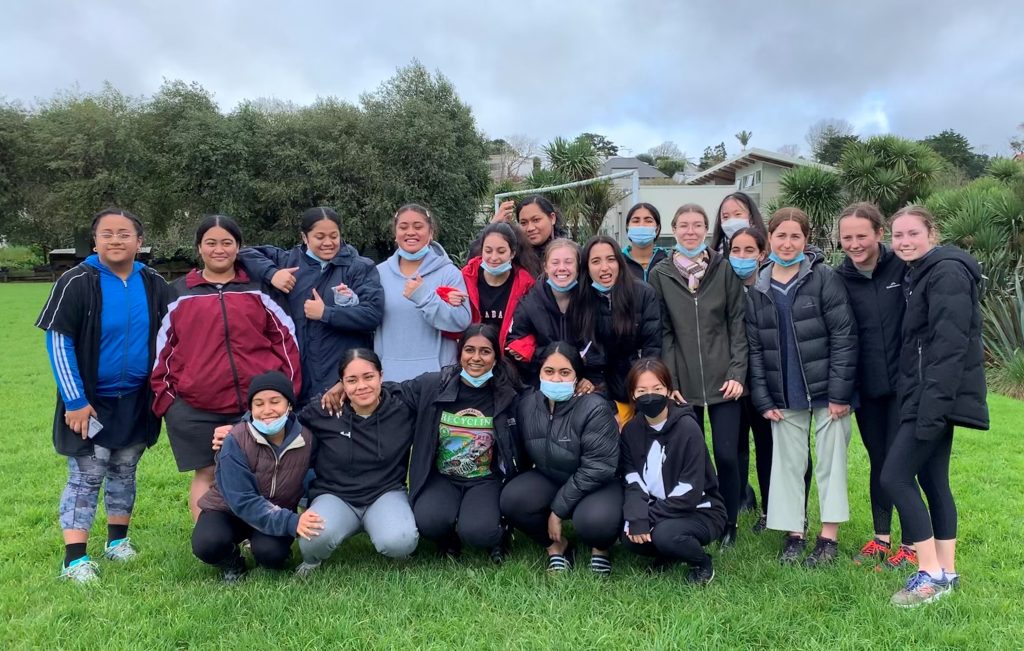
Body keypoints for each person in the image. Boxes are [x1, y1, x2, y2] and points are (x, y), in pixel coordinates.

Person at [37, 208, 172, 582]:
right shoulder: (76, 281)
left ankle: (117, 542)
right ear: (95, 242)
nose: (116, 240)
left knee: (125, 470)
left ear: (139, 242)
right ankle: (74, 560)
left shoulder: (154, 283)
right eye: (107, 234)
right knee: (87, 474)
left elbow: (172, 337)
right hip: (89, 402)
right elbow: (58, 342)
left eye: (124, 234)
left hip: (137, 400)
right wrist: (75, 400)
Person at [151, 214, 301, 521]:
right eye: (211, 243)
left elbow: (286, 342)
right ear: (199, 248)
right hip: (195, 407)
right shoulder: (177, 292)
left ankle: (254, 534)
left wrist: (287, 393)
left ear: (238, 247)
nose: (219, 250)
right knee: (207, 471)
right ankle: (208, 538)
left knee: (256, 470)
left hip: (256, 405)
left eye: (227, 243)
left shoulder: (259, 290)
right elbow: (161, 351)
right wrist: (168, 402)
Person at [881, 206, 988, 607]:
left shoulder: (946, 273)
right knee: (933, 480)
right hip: (925, 395)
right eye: (898, 235)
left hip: (933, 398)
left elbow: (949, 348)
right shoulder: (922, 272)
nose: (904, 241)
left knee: (895, 476)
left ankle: (930, 575)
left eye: (913, 233)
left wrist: (932, 408)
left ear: (932, 233)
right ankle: (948, 571)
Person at [745, 207, 857, 566]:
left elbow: (843, 336)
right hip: (784, 392)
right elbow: (755, 348)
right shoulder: (759, 286)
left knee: (830, 464)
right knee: (788, 465)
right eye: (781, 235)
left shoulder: (823, 278)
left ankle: (828, 537)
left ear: (806, 240)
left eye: (795, 236)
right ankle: (794, 533)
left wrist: (840, 393)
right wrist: (763, 398)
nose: (788, 243)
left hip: (827, 392)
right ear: (770, 239)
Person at [649, 204, 748, 547]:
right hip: (683, 385)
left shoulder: (724, 269)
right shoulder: (661, 274)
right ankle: (696, 513)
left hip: (725, 382)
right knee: (691, 457)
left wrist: (737, 372)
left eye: (697, 225)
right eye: (684, 226)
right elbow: (664, 331)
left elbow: (737, 324)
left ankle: (730, 521)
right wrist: (671, 381)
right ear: (674, 229)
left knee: (726, 455)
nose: (690, 232)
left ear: (706, 229)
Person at [835, 202, 915, 570]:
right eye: (847, 237)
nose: (854, 244)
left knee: (902, 464)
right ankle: (881, 539)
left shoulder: (903, 265)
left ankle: (912, 544)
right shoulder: (839, 278)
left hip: (904, 386)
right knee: (879, 461)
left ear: (879, 234)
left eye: (861, 236)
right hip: (867, 389)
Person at [237, 207, 384, 403]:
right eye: (319, 237)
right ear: (304, 237)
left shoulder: (359, 267)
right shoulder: (288, 261)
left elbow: (372, 314)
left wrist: (326, 313)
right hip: (301, 380)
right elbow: (244, 254)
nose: (328, 243)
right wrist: (272, 274)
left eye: (334, 236)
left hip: (343, 382)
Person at [292, 349, 419, 575]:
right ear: (341, 383)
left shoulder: (402, 408)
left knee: (401, 540)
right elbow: (282, 422)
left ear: (381, 376)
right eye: (351, 380)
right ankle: (312, 563)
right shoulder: (326, 409)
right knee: (313, 541)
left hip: (385, 493)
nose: (361, 386)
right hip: (335, 495)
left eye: (368, 377)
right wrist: (237, 428)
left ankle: (393, 541)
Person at [500, 342, 622, 575]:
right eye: (549, 371)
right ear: (539, 372)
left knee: (596, 522)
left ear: (577, 376)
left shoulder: (595, 408)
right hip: (552, 475)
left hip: (597, 483)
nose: (556, 379)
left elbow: (598, 468)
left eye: (565, 372)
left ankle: (601, 548)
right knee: (513, 499)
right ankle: (556, 546)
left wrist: (556, 512)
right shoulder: (527, 406)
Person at [405, 325, 521, 562]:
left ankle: (500, 535)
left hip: (485, 480)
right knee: (428, 522)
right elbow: (392, 392)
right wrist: (341, 386)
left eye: (485, 351)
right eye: (469, 350)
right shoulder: (434, 385)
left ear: (496, 357)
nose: (476, 358)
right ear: (460, 353)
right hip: (443, 477)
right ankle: (448, 538)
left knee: (479, 533)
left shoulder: (507, 394)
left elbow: (541, 401)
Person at [191, 372, 319, 581]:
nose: (267, 410)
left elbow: (315, 479)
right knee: (207, 543)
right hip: (228, 510)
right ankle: (232, 562)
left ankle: (265, 551)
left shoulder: (307, 439)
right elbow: (242, 500)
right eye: (258, 404)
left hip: (275, 509)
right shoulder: (235, 439)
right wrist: (291, 521)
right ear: (250, 408)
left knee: (272, 554)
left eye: (275, 402)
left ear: (289, 405)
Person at [620, 359, 726, 585]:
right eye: (642, 391)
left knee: (665, 535)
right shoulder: (630, 431)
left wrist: (646, 518)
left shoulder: (688, 428)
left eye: (657, 389)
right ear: (633, 394)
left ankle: (701, 562)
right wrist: (637, 518)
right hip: (659, 507)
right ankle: (669, 554)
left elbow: (689, 491)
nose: (650, 396)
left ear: (669, 390)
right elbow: (632, 480)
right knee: (629, 536)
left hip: (700, 509)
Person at [375, 204, 472, 382]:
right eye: (403, 227)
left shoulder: (449, 273)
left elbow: (461, 322)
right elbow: (368, 315)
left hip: (436, 380)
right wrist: (349, 301)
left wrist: (425, 297)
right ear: (395, 233)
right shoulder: (379, 273)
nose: (410, 232)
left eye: (418, 227)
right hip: (389, 379)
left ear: (431, 232)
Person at [575, 234, 661, 416]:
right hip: (598, 390)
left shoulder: (643, 294)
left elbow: (652, 348)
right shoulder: (580, 299)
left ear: (620, 262)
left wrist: (642, 390)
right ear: (586, 267)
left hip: (637, 387)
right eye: (596, 261)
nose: (604, 267)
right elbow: (584, 351)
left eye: (611, 259)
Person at [726, 226, 776, 534]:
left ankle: (771, 510)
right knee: (735, 446)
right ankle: (739, 500)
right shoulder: (721, 286)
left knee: (767, 446)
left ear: (761, 254)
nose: (741, 256)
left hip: (765, 381)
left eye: (749, 250)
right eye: (735, 250)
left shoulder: (770, 286)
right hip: (732, 382)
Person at [505, 239, 597, 394]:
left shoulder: (592, 299)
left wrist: (590, 376)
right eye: (555, 262)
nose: (561, 268)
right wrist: (550, 358)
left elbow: (602, 345)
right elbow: (515, 343)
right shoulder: (530, 303)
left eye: (568, 262)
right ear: (545, 267)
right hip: (540, 384)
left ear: (578, 266)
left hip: (582, 384)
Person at [460, 222, 539, 352]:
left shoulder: (526, 284)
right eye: (488, 251)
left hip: (508, 357)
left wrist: (523, 347)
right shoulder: (466, 277)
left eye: (501, 251)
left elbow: (534, 326)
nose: (494, 257)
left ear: (512, 253)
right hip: (473, 355)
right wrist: (448, 297)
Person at [477, 195, 568, 260]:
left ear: (552, 218)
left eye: (536, 220)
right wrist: (492, 226)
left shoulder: (569, 252)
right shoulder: (514, 255)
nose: (530, 228)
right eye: (523, 223)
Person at [621, 202, 670, 282]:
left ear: (657, 229)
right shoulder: (617, 262)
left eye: (648, 221)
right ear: (627, 227)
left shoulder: (669, 261)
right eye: (636, 221)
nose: (642, 225)